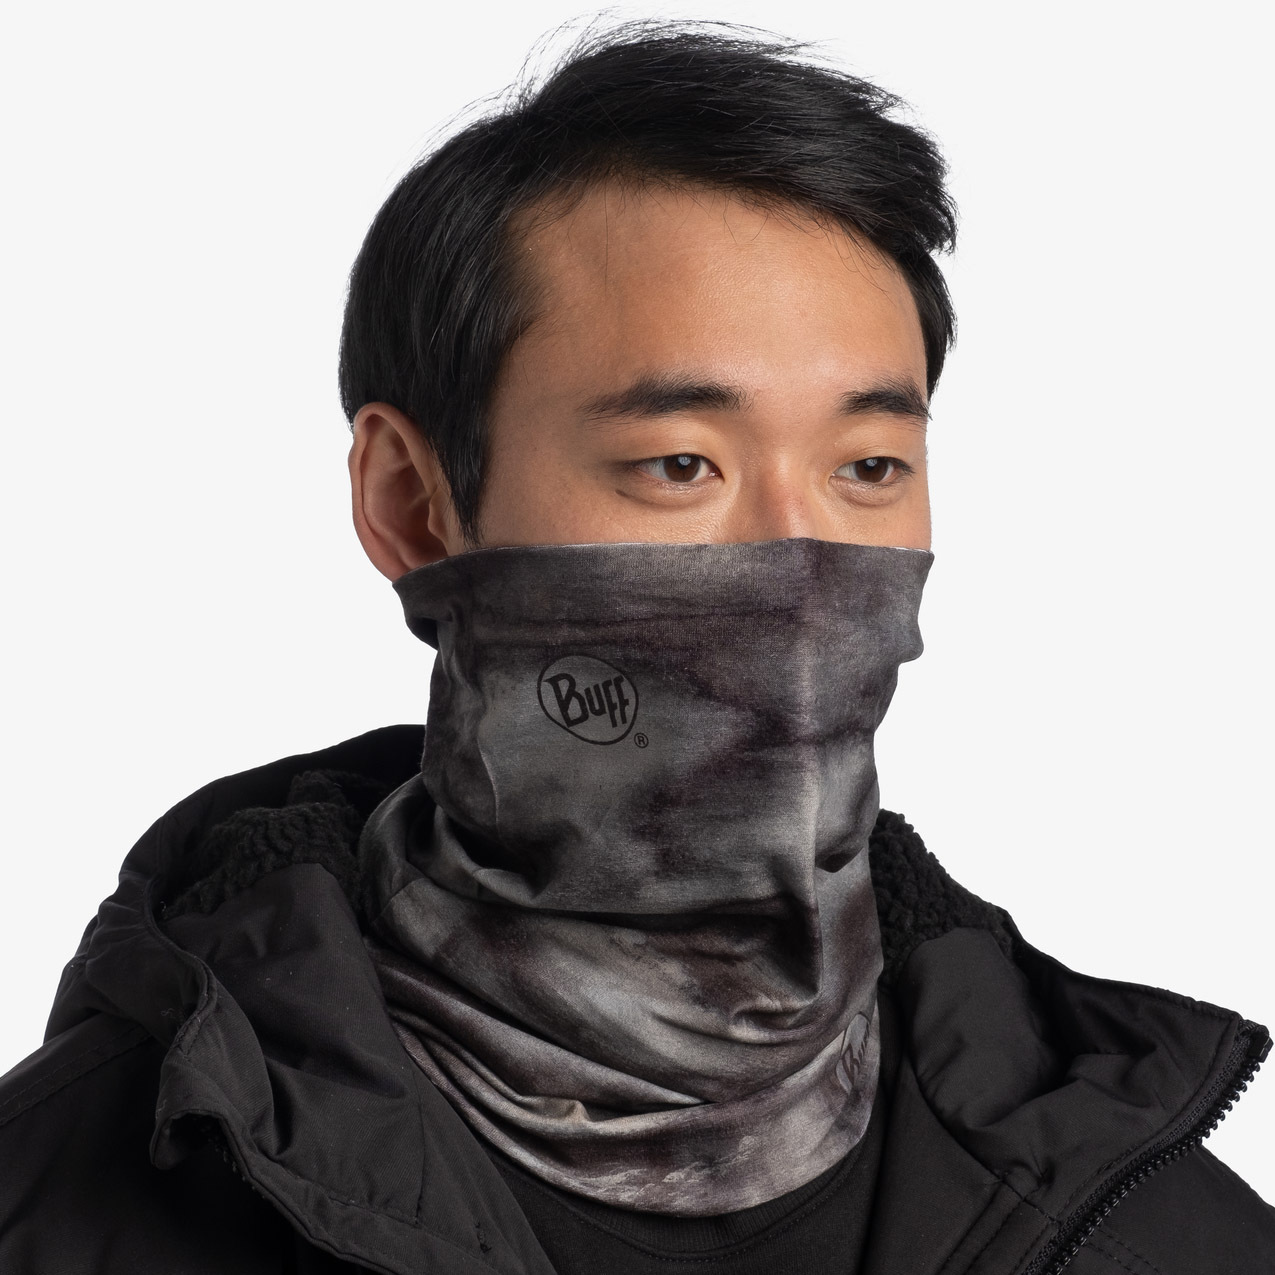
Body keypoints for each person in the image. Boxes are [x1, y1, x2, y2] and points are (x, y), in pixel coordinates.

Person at [1, 21, 1271, 1275]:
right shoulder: (58, 1206)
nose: (798, 559)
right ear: (412, 504)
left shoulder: (1161, 1234)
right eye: (680, 465)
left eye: (870, 467)